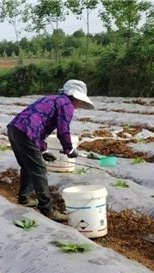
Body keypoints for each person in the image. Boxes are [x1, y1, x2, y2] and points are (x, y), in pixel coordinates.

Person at [6, 79, 94, 222]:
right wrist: (69, 149)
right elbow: (63, 131)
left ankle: (24, 198)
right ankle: (47, 209)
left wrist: (42, 151)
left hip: (15, 129)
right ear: (75, 97)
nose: (79, 105)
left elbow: (38, 124)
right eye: (79, 101)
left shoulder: (53, 99)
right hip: (26, 132)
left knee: (28, 166)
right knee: (39, 169)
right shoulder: (66, 105)